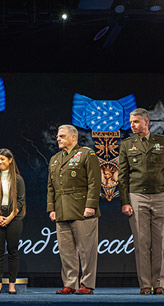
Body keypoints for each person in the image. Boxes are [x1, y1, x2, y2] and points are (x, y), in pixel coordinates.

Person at [118, 108, 164, 295]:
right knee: (141, 243)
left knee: (161, 243)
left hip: (161, 196)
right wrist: (125, 201)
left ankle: (159, 284)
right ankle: (145, 285)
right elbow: (122, 176)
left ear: (146, 122)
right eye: (130, 122)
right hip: (137, 197)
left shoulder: (163, 142)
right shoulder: (127, 145)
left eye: (136, 122)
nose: (132, 125)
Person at [47, 124, 101, 295]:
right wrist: (52, 208)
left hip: (81, 208)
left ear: (73, 137)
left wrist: (90, 205)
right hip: (62, 209)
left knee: (87, 250)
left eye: (62, 136)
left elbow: (94, 181)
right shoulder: (55, 159)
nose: (58, 139)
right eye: (57, 136)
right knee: (66, 251)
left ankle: (87, 284)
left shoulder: (86, 154)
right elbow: (51, 187)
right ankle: (70, 283)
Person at [0, 148, 26, 294]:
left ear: (10, 160)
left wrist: (9, 218)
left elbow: (20, 202)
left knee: (13, 251)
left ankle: (12, 284)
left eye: (2, 159)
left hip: (13, 217)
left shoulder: (18, 179)